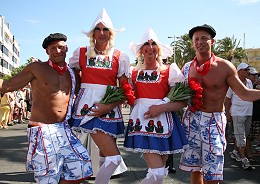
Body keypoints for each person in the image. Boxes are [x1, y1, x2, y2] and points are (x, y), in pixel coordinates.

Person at [0, 33, 93, 184]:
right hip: (42, 129)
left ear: (66, 48)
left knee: (81, 166)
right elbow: (8, 85)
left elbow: (85, 94)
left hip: (64, 129)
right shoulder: (36, 68)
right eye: (53, 48)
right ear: (47, 51)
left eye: (61, 47)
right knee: (47, 178)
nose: (57, 51)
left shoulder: (73, 73)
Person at [179, 24, 260, 184]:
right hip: (191, 120)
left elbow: (244, 93)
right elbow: (178, 96)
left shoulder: (224, 66)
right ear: (192, 43)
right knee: (195, 171)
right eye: (196, 39)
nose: (200, 42)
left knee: (212, 175)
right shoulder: (187, 68)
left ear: (212, 41)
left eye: (204, 38)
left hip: (213, 121)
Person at [69, 8, 130, 184]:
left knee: (105, 155)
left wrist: (109, 106)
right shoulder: (80, 53)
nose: (102, 33)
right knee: (114, 158)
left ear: (111, 33)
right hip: (88, 108)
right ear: (93, 33)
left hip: (110, 108)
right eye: (98, 29)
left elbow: (125, 89)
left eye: (106, 30)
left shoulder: (120, 56)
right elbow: (71, 79)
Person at [124, 27, 188, 184]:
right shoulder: (132, 73)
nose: (150, 47)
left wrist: (161, 107)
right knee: (158, 172)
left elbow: (182, 101)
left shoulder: (169, 71)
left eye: (153, 44)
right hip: (141, 123)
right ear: (141, 50)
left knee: (158, 172)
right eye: (146, 44)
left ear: (158, 49)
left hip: (165, 123)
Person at [225, 62, 253, 169]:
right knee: (241, 137)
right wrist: (228, 113)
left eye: (248, 70)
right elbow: (227, 99)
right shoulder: (233, 83)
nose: (248, 72)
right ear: (239, 71)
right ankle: (244, 159)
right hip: (237, 113)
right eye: (246, 70)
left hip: (248, 113)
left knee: (242, 135)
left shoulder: (249, 82)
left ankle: (235, 152)